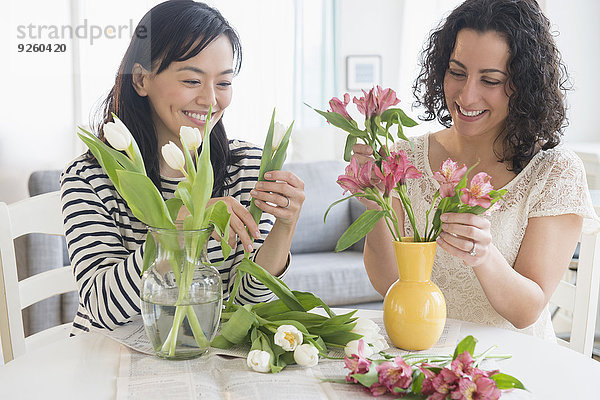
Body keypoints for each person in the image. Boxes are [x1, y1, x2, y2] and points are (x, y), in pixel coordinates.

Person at [353, 0, 596, 340]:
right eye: (457, 72)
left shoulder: (554, 171)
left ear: (523, 85)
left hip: (513, 366)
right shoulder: (403, 158)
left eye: (490, 80)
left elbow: (526, 311)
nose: (467, 96)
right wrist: (375, 200)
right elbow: (387, 282)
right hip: (419, 353)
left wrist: (483, 255)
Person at [60, 0, 305, 334]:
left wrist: (285, 226)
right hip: (108, 363)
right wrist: (183, 224)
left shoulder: (246, 166)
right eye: (192, 81)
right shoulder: (90, 179)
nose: (210, 99)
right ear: (141, 80)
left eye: (223, 83)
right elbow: (104, 309)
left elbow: (247, 302)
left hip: (200, 360)